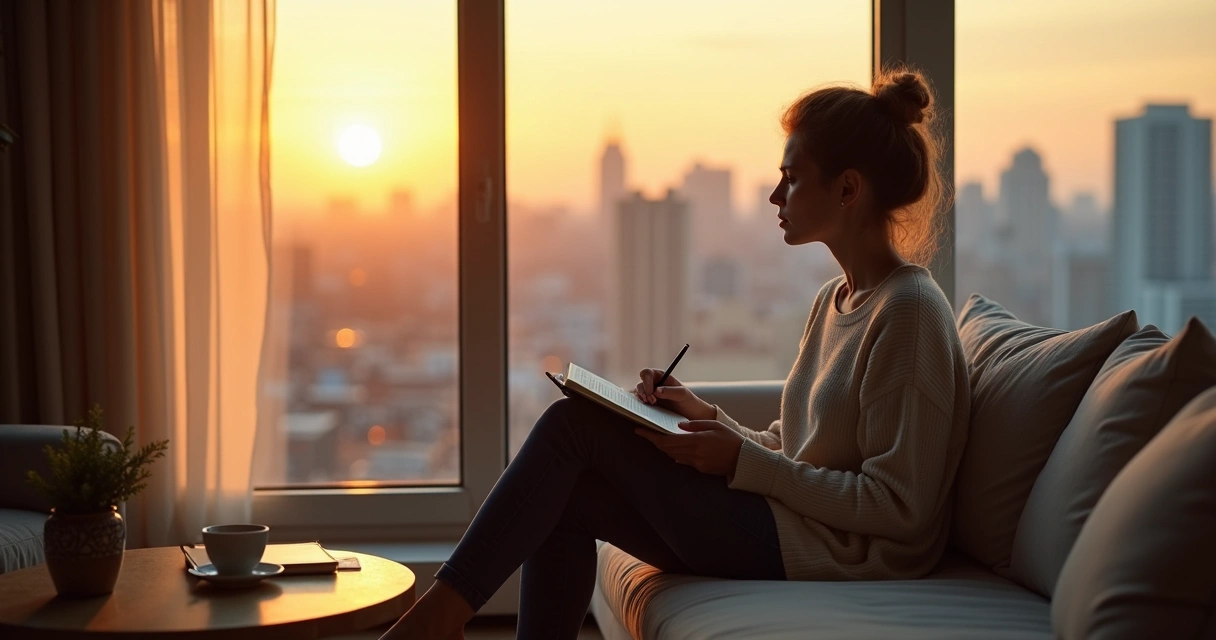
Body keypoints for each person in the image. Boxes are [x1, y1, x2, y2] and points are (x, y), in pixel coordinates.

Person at [381, 67, 971, 640]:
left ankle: (436, 619)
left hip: (838, 554)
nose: (774, 194)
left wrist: (740, 462)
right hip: (794, 527)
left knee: (572, 428)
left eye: (791, 177)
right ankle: (441, 618)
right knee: (565, 497)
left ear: (847, 189)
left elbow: (899, 508)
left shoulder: (908, 312)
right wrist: (705, 419)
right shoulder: (835, 300)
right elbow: (802, 452)